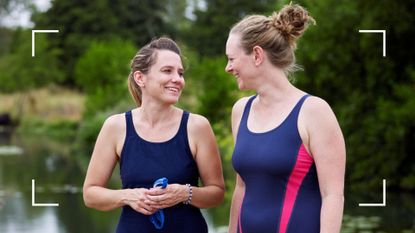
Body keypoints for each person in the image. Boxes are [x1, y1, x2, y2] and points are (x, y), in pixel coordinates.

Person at [83, 37, 225, 233]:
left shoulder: (197, 126)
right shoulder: (115, 127)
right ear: (140, 78)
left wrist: (185, 193)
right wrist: (127, 196)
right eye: (167, 71)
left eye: (181, 73)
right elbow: (90, 194)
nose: (178, 79)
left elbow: (217, 194)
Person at [225, 3, 346, 233]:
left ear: (257, 55)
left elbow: (333, 196)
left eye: (231, 59)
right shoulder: (240, 110)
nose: (227, 68)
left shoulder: (314, 112)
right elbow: (241, 187)